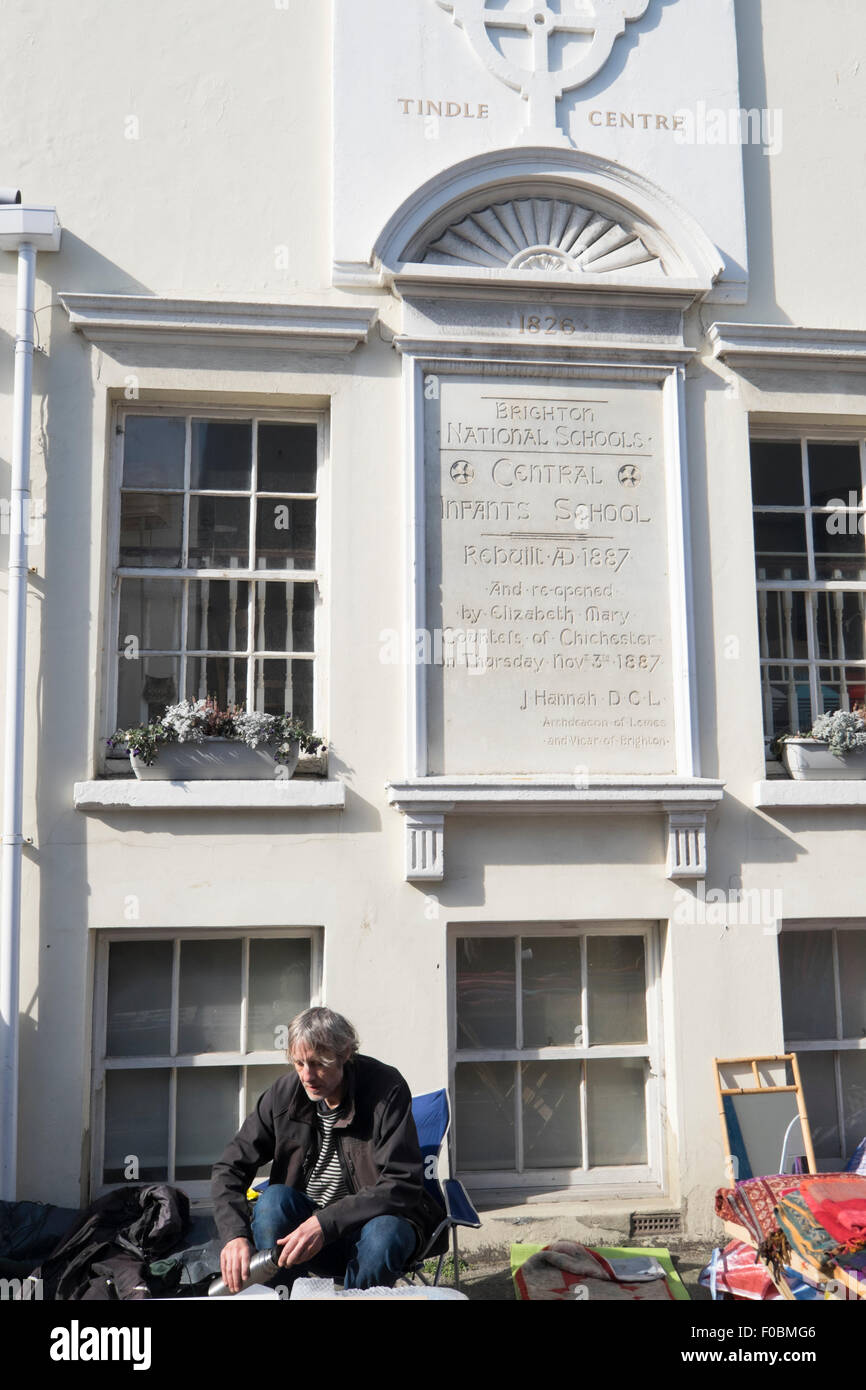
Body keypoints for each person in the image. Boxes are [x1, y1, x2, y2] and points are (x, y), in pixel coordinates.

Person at [211, 1006, 443, 1293]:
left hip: (372, 1228)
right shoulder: (282, 1095)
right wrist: (234, 1235)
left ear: (345, 1053)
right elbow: (229, 1168)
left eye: (318, 1063)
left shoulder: (386, 1089)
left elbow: (402, 1182)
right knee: (273, 1200)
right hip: (305, 1235)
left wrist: (326, 1222)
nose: (307, 1075)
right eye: (298, 1063)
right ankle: (280, 1295)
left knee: (384, 1231)